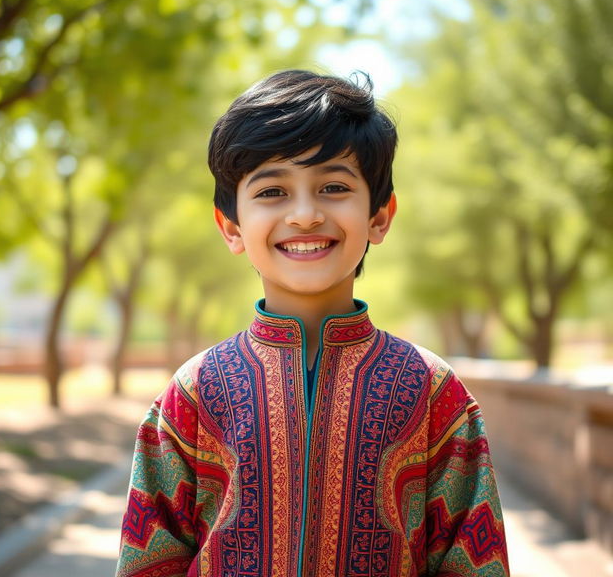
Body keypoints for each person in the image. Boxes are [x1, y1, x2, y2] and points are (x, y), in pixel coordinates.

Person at [116, 70, 510, 577]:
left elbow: (474, 563)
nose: (304, 215)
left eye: (332, 186)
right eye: (272, 192)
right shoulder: (192, 394)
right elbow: (148, 561)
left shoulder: (433, 394)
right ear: (232, 227)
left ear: (379, 217)